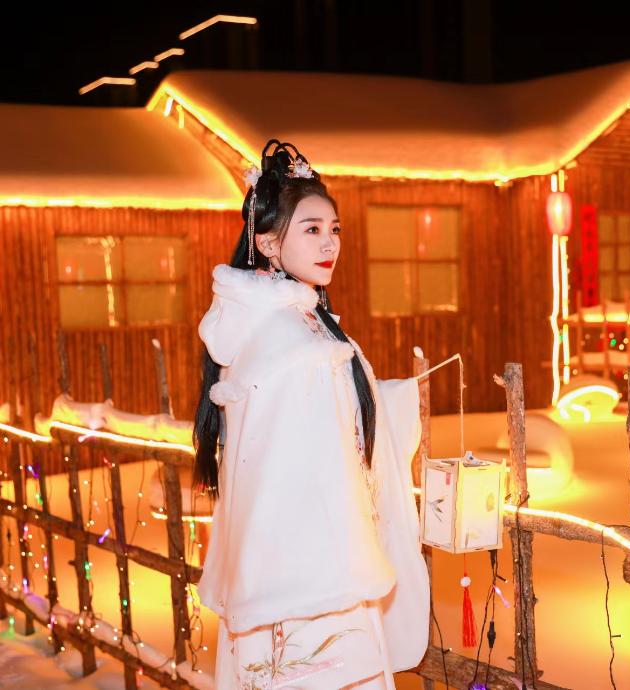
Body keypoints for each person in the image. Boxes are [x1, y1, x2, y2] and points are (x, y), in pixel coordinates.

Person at [193, 140, 430, 689]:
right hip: (315, 575)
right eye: (312, 229)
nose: (330, 243)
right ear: (267, 243)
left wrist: (392, 398)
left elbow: (329, 423)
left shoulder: (296, 322)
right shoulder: (293, 339)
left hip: (284, 567)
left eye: (335, 229)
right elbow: (303, 463)